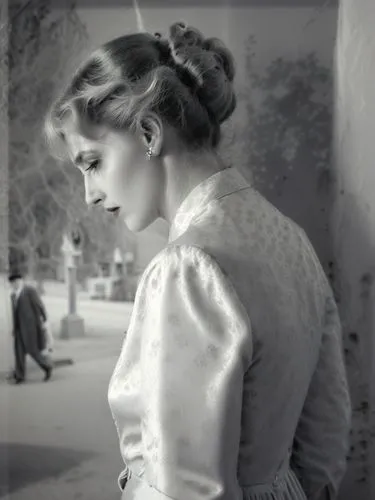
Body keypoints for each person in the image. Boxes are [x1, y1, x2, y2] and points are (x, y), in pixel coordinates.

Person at [44, 22, 351, 500]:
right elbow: (325, 439)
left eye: (92, 162)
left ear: (148, 131)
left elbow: (183, 490)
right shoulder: (292, 241)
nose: (88, 195)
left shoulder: (188, 268)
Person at [8, 271, 53, 384]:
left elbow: (39, 305)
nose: (15, 284)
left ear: (20, 281)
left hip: (30, 327)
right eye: (13, 283)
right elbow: (15, 314)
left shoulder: (29, 291)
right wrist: (14, 328)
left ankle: (47, 366)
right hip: (19, 329)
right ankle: (20, 376)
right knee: (18, 353)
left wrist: (44, 319)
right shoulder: (13, 295)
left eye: (16, 282)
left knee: (33, 351)